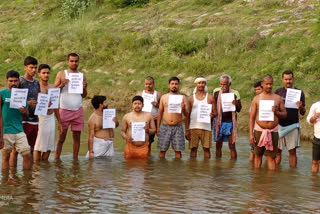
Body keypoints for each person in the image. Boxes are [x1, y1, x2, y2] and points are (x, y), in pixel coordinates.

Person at [249, 75, 287, 170]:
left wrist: (277, 112)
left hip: (273, 131)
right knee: (257, 155)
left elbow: (285, 114)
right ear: (262, 84)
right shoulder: (256, 99)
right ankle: (257, 180)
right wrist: (251, 134)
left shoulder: (277, 98)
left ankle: (270, 182)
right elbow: (252, 118)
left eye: (271, 84)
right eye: (267, 84)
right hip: (259, 130)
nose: (269, 86)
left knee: (271, 157)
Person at [54, 53, 87, 160]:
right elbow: (53, 92)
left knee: (77, 137)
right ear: (67, 62)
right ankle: (56, 158)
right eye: (72, 61)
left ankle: (75, 160)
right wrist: (61, 85)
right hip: (64, 110)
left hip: (78, 110)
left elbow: (84, 95)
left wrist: (84, 88)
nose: (74, 63)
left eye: (76, 61)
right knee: (61, 136)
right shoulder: (61, 74)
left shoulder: (81, 75)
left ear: (78, 62)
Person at [10, 56, 40, 166]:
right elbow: (14, 101)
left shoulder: (37, 83)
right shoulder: (20, 82)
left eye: (35, 68)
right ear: (25, 68)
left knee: (31, 149)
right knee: (16, 150)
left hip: (35, 120)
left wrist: (45, 103)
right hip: (21, 121)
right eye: (31, 67)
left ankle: (29, 176)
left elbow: (38, 98)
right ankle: (12, 176)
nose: (34, 70)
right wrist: (28, 103)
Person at [0, 70, 32, 169]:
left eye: (15, 81)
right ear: (7, 81)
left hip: (19, 129)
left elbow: (26, 116)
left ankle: (26, 182)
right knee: (6, 157)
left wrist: (25, 112)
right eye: (11, 81)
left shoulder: (22, 95)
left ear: (19, 81)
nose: (13, 83)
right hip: (6, 130)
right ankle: (5, 182)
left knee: (27, 154)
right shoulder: (2, 94)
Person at [275, 70, 306, 168]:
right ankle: (273, 175)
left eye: (290, 79)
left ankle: (292, 175)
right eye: (286, 79)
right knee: (277, 151)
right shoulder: (278, 92)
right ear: (282, 80)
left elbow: (303, 112)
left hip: (293, 125)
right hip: (278, 125)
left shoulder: (299, 93)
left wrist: (300, 106)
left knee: (292, 152)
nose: (288, 81)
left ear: (293, 79)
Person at [34, 64, 62, 161]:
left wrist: (60, 122)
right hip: (41, 117)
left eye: (48, 73)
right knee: (38, 146)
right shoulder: (36, 87)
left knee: (49, 146)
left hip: (51, 117)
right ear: (39, 74)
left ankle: (44, 166)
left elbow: (56, 107)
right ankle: (37, 168)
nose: (46, 75)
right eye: (43, 73)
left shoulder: (53, 87)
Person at [157, 77, 189, 159]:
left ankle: (177, 170)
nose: (174, 85)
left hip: (178, 127)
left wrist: (183, 109)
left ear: (179, 85)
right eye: (172, 84)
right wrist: (158, 127)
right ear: (169, 85)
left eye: (176, 84)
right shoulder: (164, 97)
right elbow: (160, 112)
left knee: (178, 151)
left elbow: (187, 114)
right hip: (165, 126)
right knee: (162, 150)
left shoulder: (183, 98)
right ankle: (162, 169)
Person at [186, 77, 216, 159]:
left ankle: (206, 170)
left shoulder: (210, 97)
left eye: (203, 83)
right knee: (193, 149)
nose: (201, 84)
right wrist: (187, 130)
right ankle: (192, 169)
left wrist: (213, 115)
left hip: (206, 128)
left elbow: (216, 113)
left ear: (205, 84)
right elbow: (187, 115)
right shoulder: (191, 99)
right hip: (193, 127)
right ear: (196, 84)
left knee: (206, 149)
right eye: (199, 83)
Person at [213, 74, 242, 159]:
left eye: (225, 84)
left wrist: (236, 104)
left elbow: (239, 109)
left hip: (230, 122)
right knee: (218, 145)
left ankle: (232, 167)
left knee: (232, 145)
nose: (223, 86)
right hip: (218, 122)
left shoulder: (235, 93)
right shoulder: (216, 91)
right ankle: (217, 164)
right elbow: (213, 105)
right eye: (221, 84)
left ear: (229, 84)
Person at [137, 76, 162, 153]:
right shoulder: (140, 93)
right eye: (146, 84)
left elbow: (162, 109)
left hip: (153, 119)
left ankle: (148, 156)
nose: (148, 86)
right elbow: (135, 106)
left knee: (149, 142)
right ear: (144, 84)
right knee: (138, 139)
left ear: (153, 84)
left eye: (150, 84)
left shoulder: (158, 94)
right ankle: (139, 154)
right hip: (141, 119)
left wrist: (156, 105)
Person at [249, 81, 263, 162]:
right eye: (256, 90)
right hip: (256, 128)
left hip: (267, 129)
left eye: (259, 89)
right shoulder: (255, 100)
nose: (257, 91)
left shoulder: (270, 99)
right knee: (253, 150)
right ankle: (252, 170)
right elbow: (250, 116)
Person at [307, 101, 320, 173]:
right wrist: (315, 117)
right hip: (317, 137)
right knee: (315, 162)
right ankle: (314, 182)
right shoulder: (315, 105)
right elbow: (309, 120)